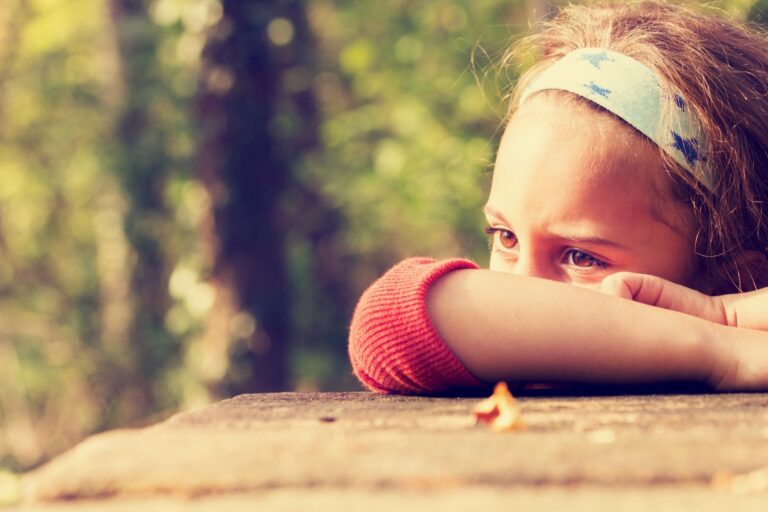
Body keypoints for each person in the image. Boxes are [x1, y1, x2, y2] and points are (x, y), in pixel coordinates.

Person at [348, 1, 768, 395]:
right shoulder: (720, 344)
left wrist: (727, 319)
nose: (521, 288)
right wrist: (720, 343)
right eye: (505, 238)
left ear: (734, 281)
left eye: (581, 257)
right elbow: (388, 322)